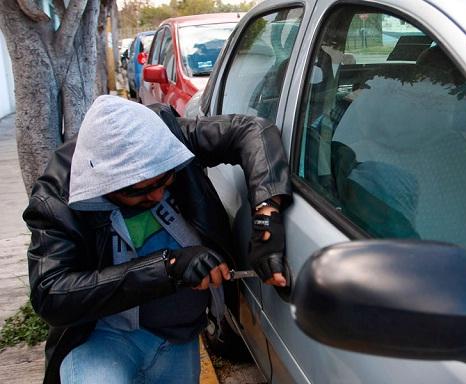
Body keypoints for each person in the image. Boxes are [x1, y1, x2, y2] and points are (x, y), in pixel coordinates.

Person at [23, 95, 292, 384]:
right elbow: (51, 293)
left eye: (165, 180)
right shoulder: (56, 200)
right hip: (105, 341)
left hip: (179, 339)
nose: (157, 195)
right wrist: (167, 267)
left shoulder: (165, 135)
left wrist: (266, 211)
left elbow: (252, 130)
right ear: (101, 183)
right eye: (138, 191)